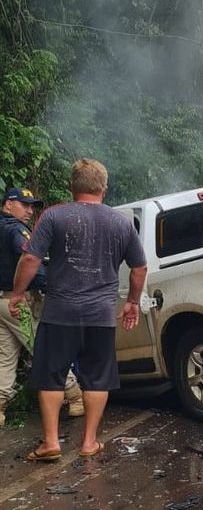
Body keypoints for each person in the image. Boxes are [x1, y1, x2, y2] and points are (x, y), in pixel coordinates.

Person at [8, 159, 147, 461]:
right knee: (98, 377)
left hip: (60, 313)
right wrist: (133, 302)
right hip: (100, 316)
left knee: (51, 376)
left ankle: (50, 443)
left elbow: (30, 260)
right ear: (104, 189)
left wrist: (17, 294)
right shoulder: (121, 222)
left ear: (72, 186)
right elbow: (139, 267)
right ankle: (88, 442)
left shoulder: (54, 216)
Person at [0, 187, 84, 427]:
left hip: (2, 304)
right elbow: (30, 261)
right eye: (24, 205)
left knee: (5, 358)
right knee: (46, 348)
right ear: (8, 205)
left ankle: (0, 408)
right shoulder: (16, 231)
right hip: (21, 302)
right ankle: (75, 395)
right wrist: (51, 284)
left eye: (32, 206)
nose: (30, 211)